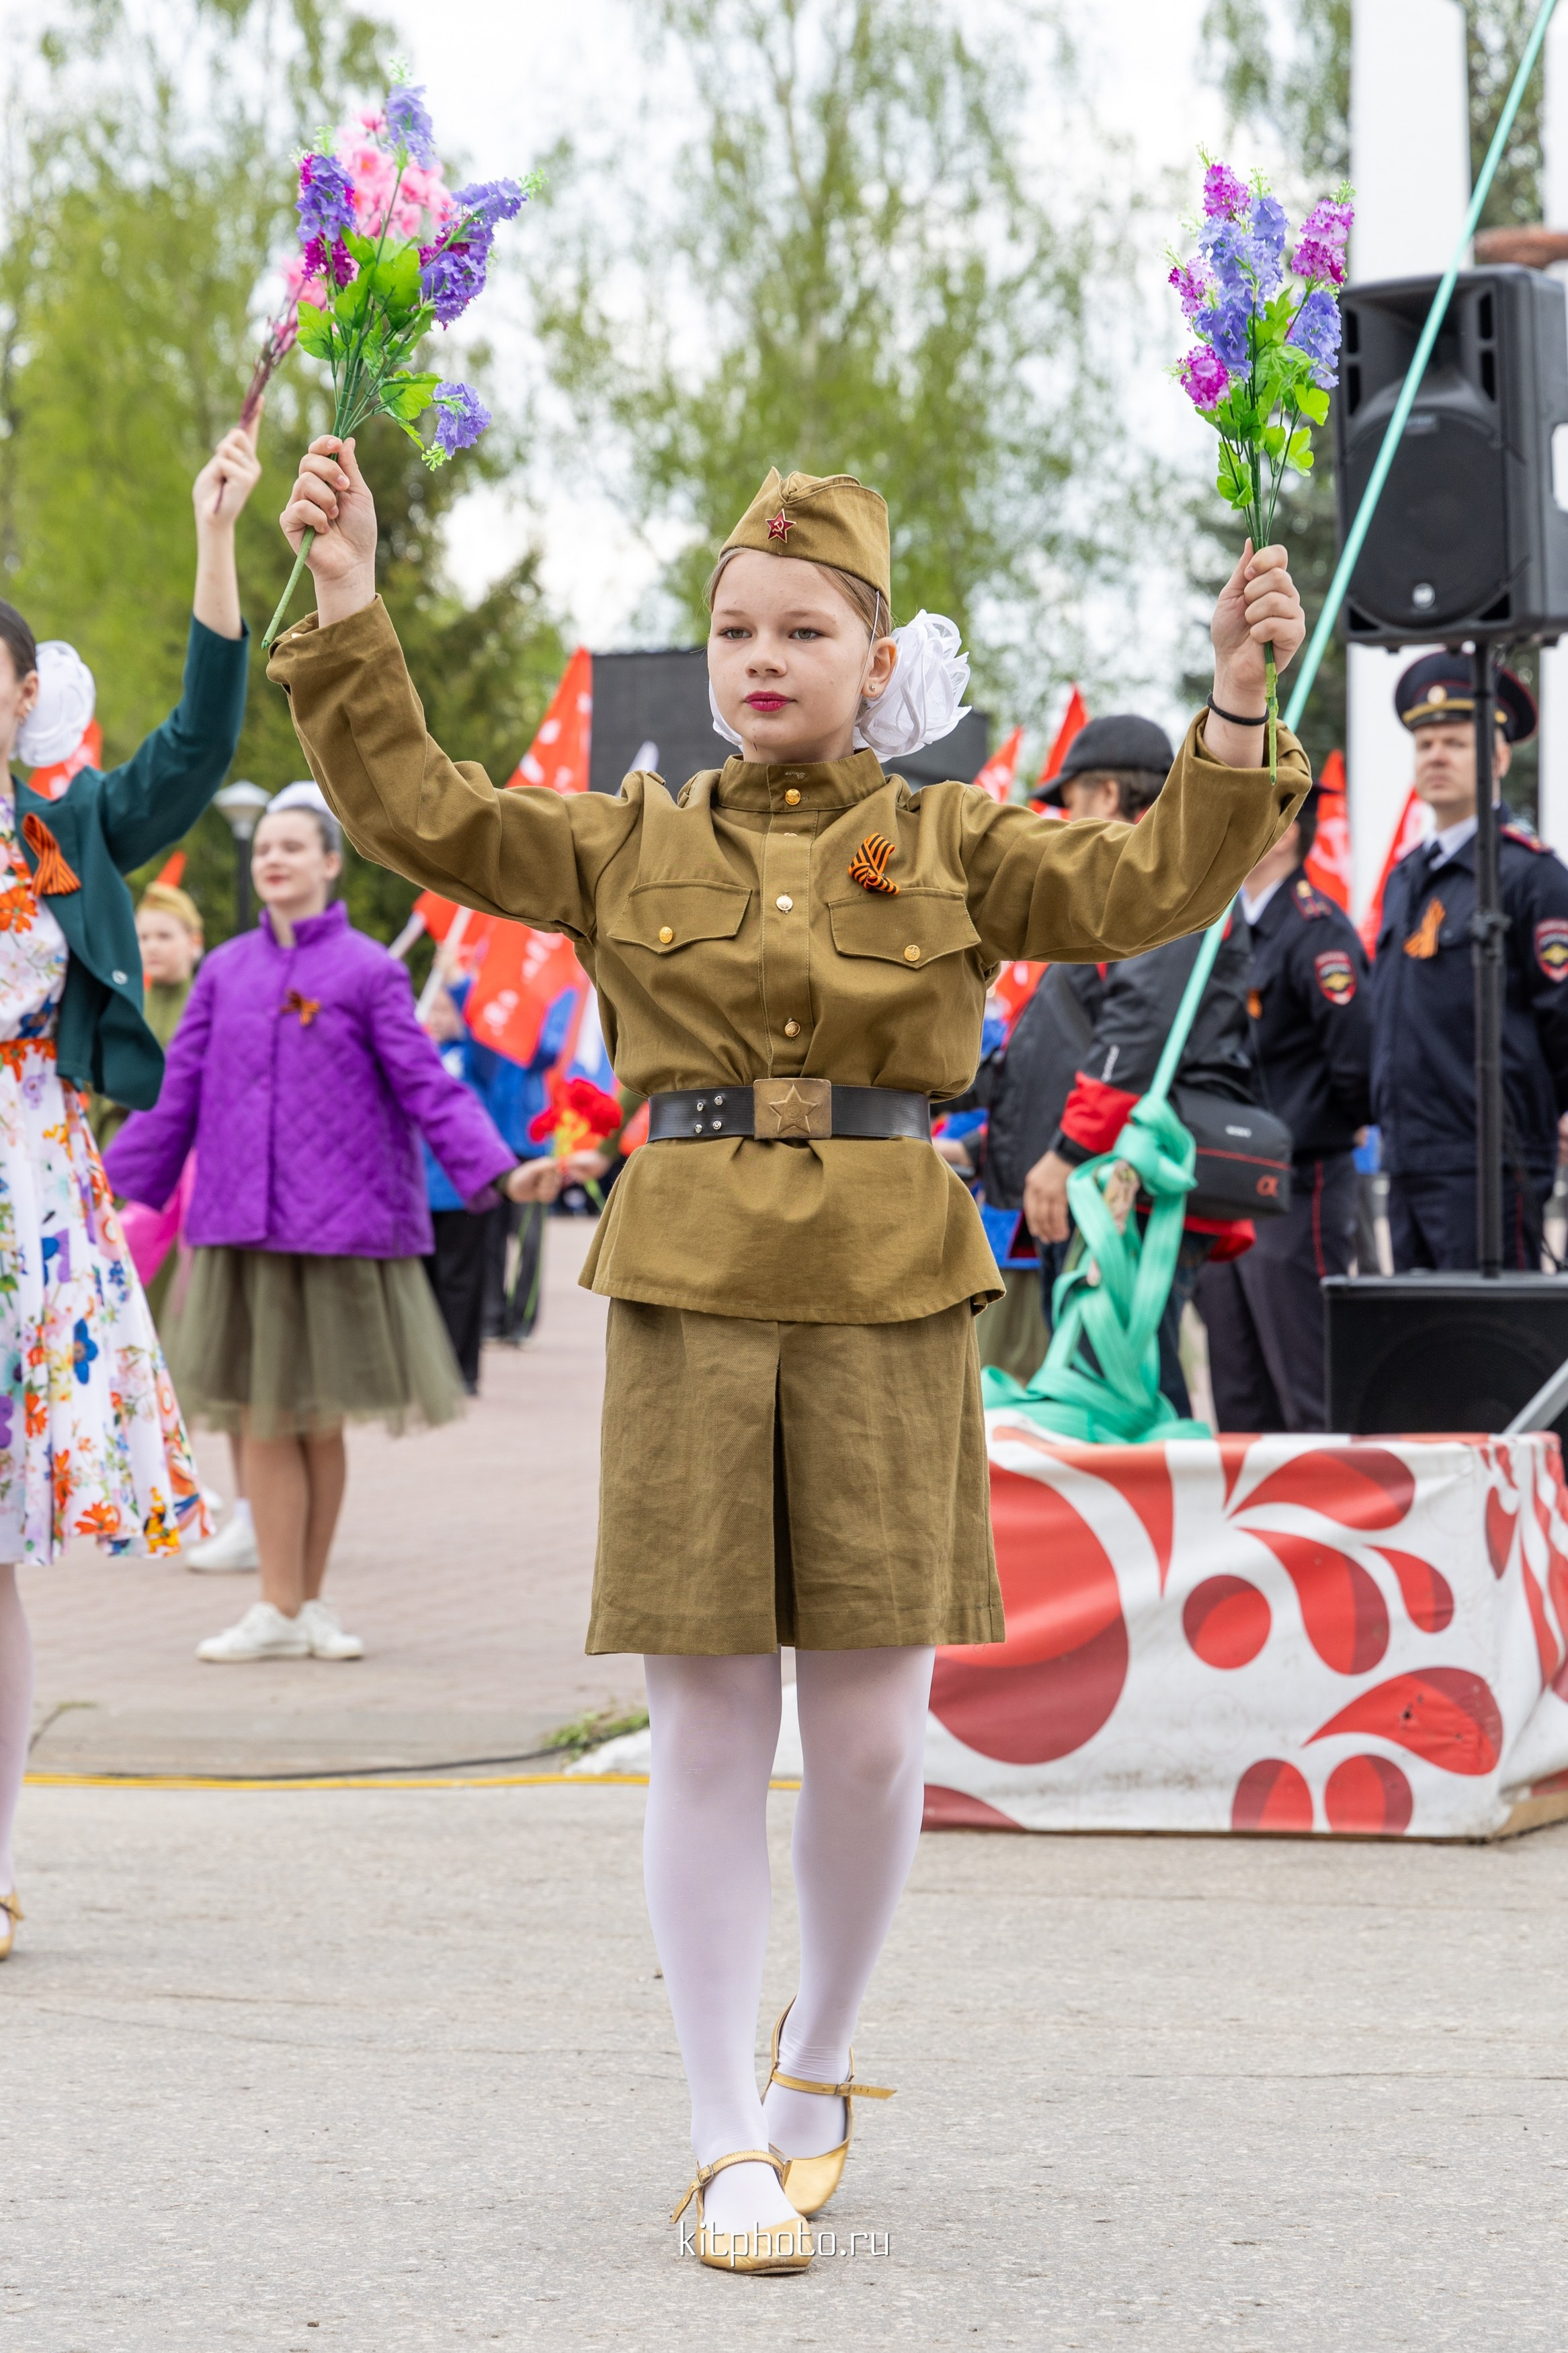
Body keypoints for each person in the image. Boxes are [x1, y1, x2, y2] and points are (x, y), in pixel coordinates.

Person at [269, 434, 1307, 2270]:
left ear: (873, 651)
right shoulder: (628, 837)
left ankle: (818, 2059)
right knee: (704, 1721)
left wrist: (1233, 708)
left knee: (869, 1732)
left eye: (801, 628)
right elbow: (421, 809)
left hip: (889, 1288)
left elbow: (1148, 884)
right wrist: (349, 601)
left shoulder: (960, 839)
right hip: (682, 1287)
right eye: (733, 626)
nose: (759, 655)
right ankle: (716, 2129)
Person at [0, 421, 261, 1962]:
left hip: (26, 1177)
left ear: (25, 695)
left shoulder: (74, 828)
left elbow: (199, 745)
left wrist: (217, 541)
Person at [106, 781, 557, 1665]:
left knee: (317, 1423)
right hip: (240, 1223)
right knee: (263, 1416)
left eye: (291, 846)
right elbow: (177, 1097)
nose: (272, 859)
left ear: (328, 862)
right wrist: (114, 1195)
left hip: (341, 1227)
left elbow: (428, 1085)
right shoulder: (224, 972)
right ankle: (278, 1607)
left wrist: (498, 1172)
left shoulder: (370, 972)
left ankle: (305, 1604)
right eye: (263, 847)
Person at [987, 715, 1261, 1417]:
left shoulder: (1176, 885)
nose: (1062, 817)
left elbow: (1135, 1033)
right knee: (1095, 1397)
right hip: (1087, 1187)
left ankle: (1167, 1531)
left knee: (1124, 1390)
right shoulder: (1108, 897)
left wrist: (1065, 1149)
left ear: (1106, 795)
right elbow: (1060, 1041)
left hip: (1120, 1188)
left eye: (1071, 798)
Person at [1371, 653, 1568, 1271]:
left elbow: (1562, 1016)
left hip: (1488, 1162)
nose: (1434, 755)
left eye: (1455, 742)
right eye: (1424, 742)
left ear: (1498, 758)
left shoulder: (1530, 876)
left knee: (1489, 1354)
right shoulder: (1405, 879)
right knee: (1413, 1354)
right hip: (1406, 1157)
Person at [1196, 787, 1372, 1430]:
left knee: (1308, 1379)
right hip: (1226, 1182)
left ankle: (1331, 1526)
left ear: (1289, 830)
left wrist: (1325, 1127)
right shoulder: (1222, 925)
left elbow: (1357, 1059)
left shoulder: (1314, 929)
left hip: (1298, 1178)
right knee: (1237, 1386)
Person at [419, 975, 564, 1390]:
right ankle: (431, 1367)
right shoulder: (424, 1055)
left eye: (447, 1011)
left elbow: (502, 1035)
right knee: (428, 1283)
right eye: (436, 1009)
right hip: (426, 1188)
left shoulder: (477, 1057)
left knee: (463, 1279)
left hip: (467, 1184)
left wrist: (459, 985)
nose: (438, 1017)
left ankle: (465, 1369)